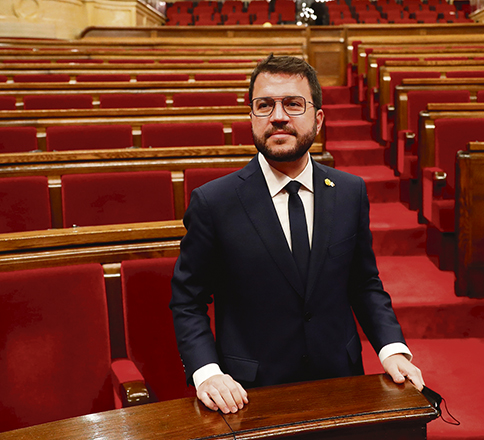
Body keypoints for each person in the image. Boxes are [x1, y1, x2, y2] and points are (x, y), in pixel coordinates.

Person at [169, 54, 424, 415]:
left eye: (293, 103)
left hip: (341, 381)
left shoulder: (350, 191)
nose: (278, 116)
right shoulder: (214, 202)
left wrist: (392, 348)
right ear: (251, 117)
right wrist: (207, 373)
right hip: (251, 394)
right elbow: (187, 300)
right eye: (264, 105)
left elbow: (364, 282)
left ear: (318, 118)